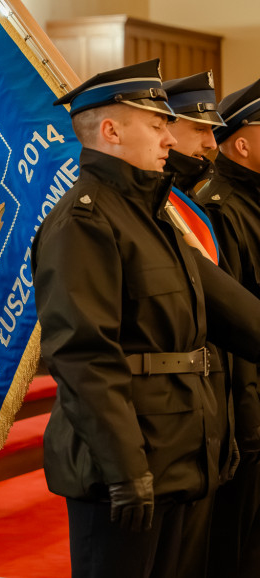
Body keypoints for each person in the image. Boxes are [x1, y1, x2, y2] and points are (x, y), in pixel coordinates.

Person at [32, 59, 260, 578]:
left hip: (180, 455)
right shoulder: (82, 221)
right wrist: (125, 470)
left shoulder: (152, 217)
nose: (168, 138)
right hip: (127, 464)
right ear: (110, 131)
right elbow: (83, 355)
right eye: (157, 125)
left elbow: (232, 312)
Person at [158, 73, 233, 578]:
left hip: (207, 409)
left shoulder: (188, 205)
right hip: (169, 413)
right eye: (198, 130)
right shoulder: (190, 206)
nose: (211, 144)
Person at [198, 77, 260, 577]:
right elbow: (229, 324)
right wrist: (248, 425)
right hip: (246, 413)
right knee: (237, 549)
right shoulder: (220, 209)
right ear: (242, 142)